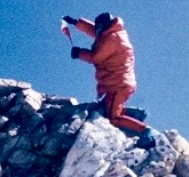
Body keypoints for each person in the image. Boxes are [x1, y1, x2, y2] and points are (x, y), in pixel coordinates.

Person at [63, 12, 157, 148]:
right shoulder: (112, 32)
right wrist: (76, 22)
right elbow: (95, 31)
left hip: (118, 85)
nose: (98, 31)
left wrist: (79, 53)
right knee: (108, 110)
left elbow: (96, 57)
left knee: (113, 118)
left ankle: (147, 131)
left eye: (100, 28)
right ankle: (131, 115)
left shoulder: (112, 38)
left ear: (105, 26)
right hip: (119, 82)